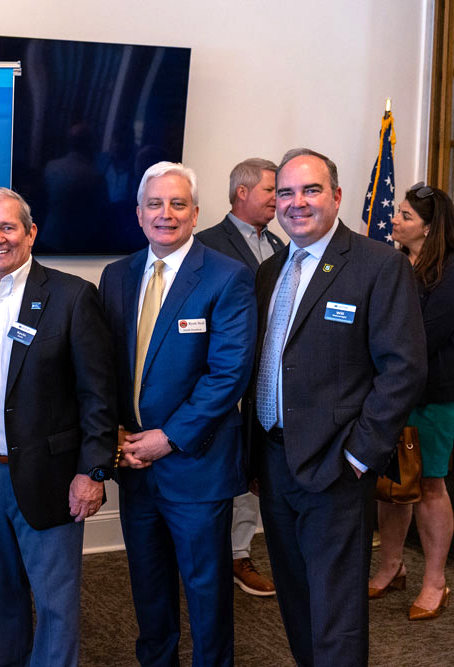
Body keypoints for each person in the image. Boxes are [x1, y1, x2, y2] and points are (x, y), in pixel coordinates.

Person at [249, 148, 427, 666]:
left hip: (337, 466)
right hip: (274, 461)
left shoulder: (378, 265)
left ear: (337, 196)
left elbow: (404, 371)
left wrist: (358, 457)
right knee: (296, 597)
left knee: (336, 608)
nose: (296, 203)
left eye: (311, 190)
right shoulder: (270, 271)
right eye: (285, 192)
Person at [0, 187, 116, 667]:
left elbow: (97, 395)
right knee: (0, 602)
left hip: (52, 477)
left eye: (8, 227)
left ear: (30, 233)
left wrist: (93, 472)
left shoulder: (72, 296)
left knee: (56, 608)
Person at [99, 161, 257, 666]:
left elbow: (227, 374)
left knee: (206, 590)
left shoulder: (227, 276)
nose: (165, 214)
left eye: (177, 204)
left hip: (195, 463)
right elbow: (105, 364)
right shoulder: (117, 275)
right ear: (139, 214)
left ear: (195, 213)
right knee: (148, 586)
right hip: (135, 464)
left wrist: (168, 437)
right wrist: (117, 432)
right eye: (154, 204)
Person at [196, 157, 283, 597]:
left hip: (268, 384)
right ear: (242, 192)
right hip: (223, 383)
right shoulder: (205, 245)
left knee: (252, 470)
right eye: (272, 189)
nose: (279, 198)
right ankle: (213, 555)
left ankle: (239, 553)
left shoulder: (284, 246)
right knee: (225, 470)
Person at [368, 182, 454, 620]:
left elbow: (421, 336)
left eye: (404, 216)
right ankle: (391, 566)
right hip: (389, 394)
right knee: (391, 487)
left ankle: (435, 581)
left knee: (429, 487)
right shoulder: (394, 263)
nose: (394, 221)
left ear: (429, 228)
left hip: (432, 399)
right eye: (396, 212)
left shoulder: (450, 272)